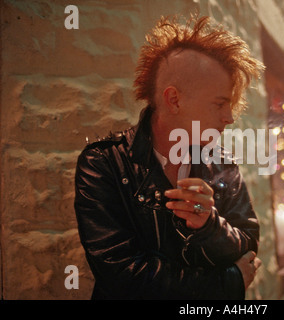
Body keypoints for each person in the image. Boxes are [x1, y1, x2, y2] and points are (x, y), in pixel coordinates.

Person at [74, 15, 265, 300]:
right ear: (174, 99)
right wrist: (227, 284)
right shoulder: (104, 163)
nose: (229, 117)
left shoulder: (221, 161)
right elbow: (122, 275)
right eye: (219, 103)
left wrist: (210, 226)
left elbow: (248, 247)